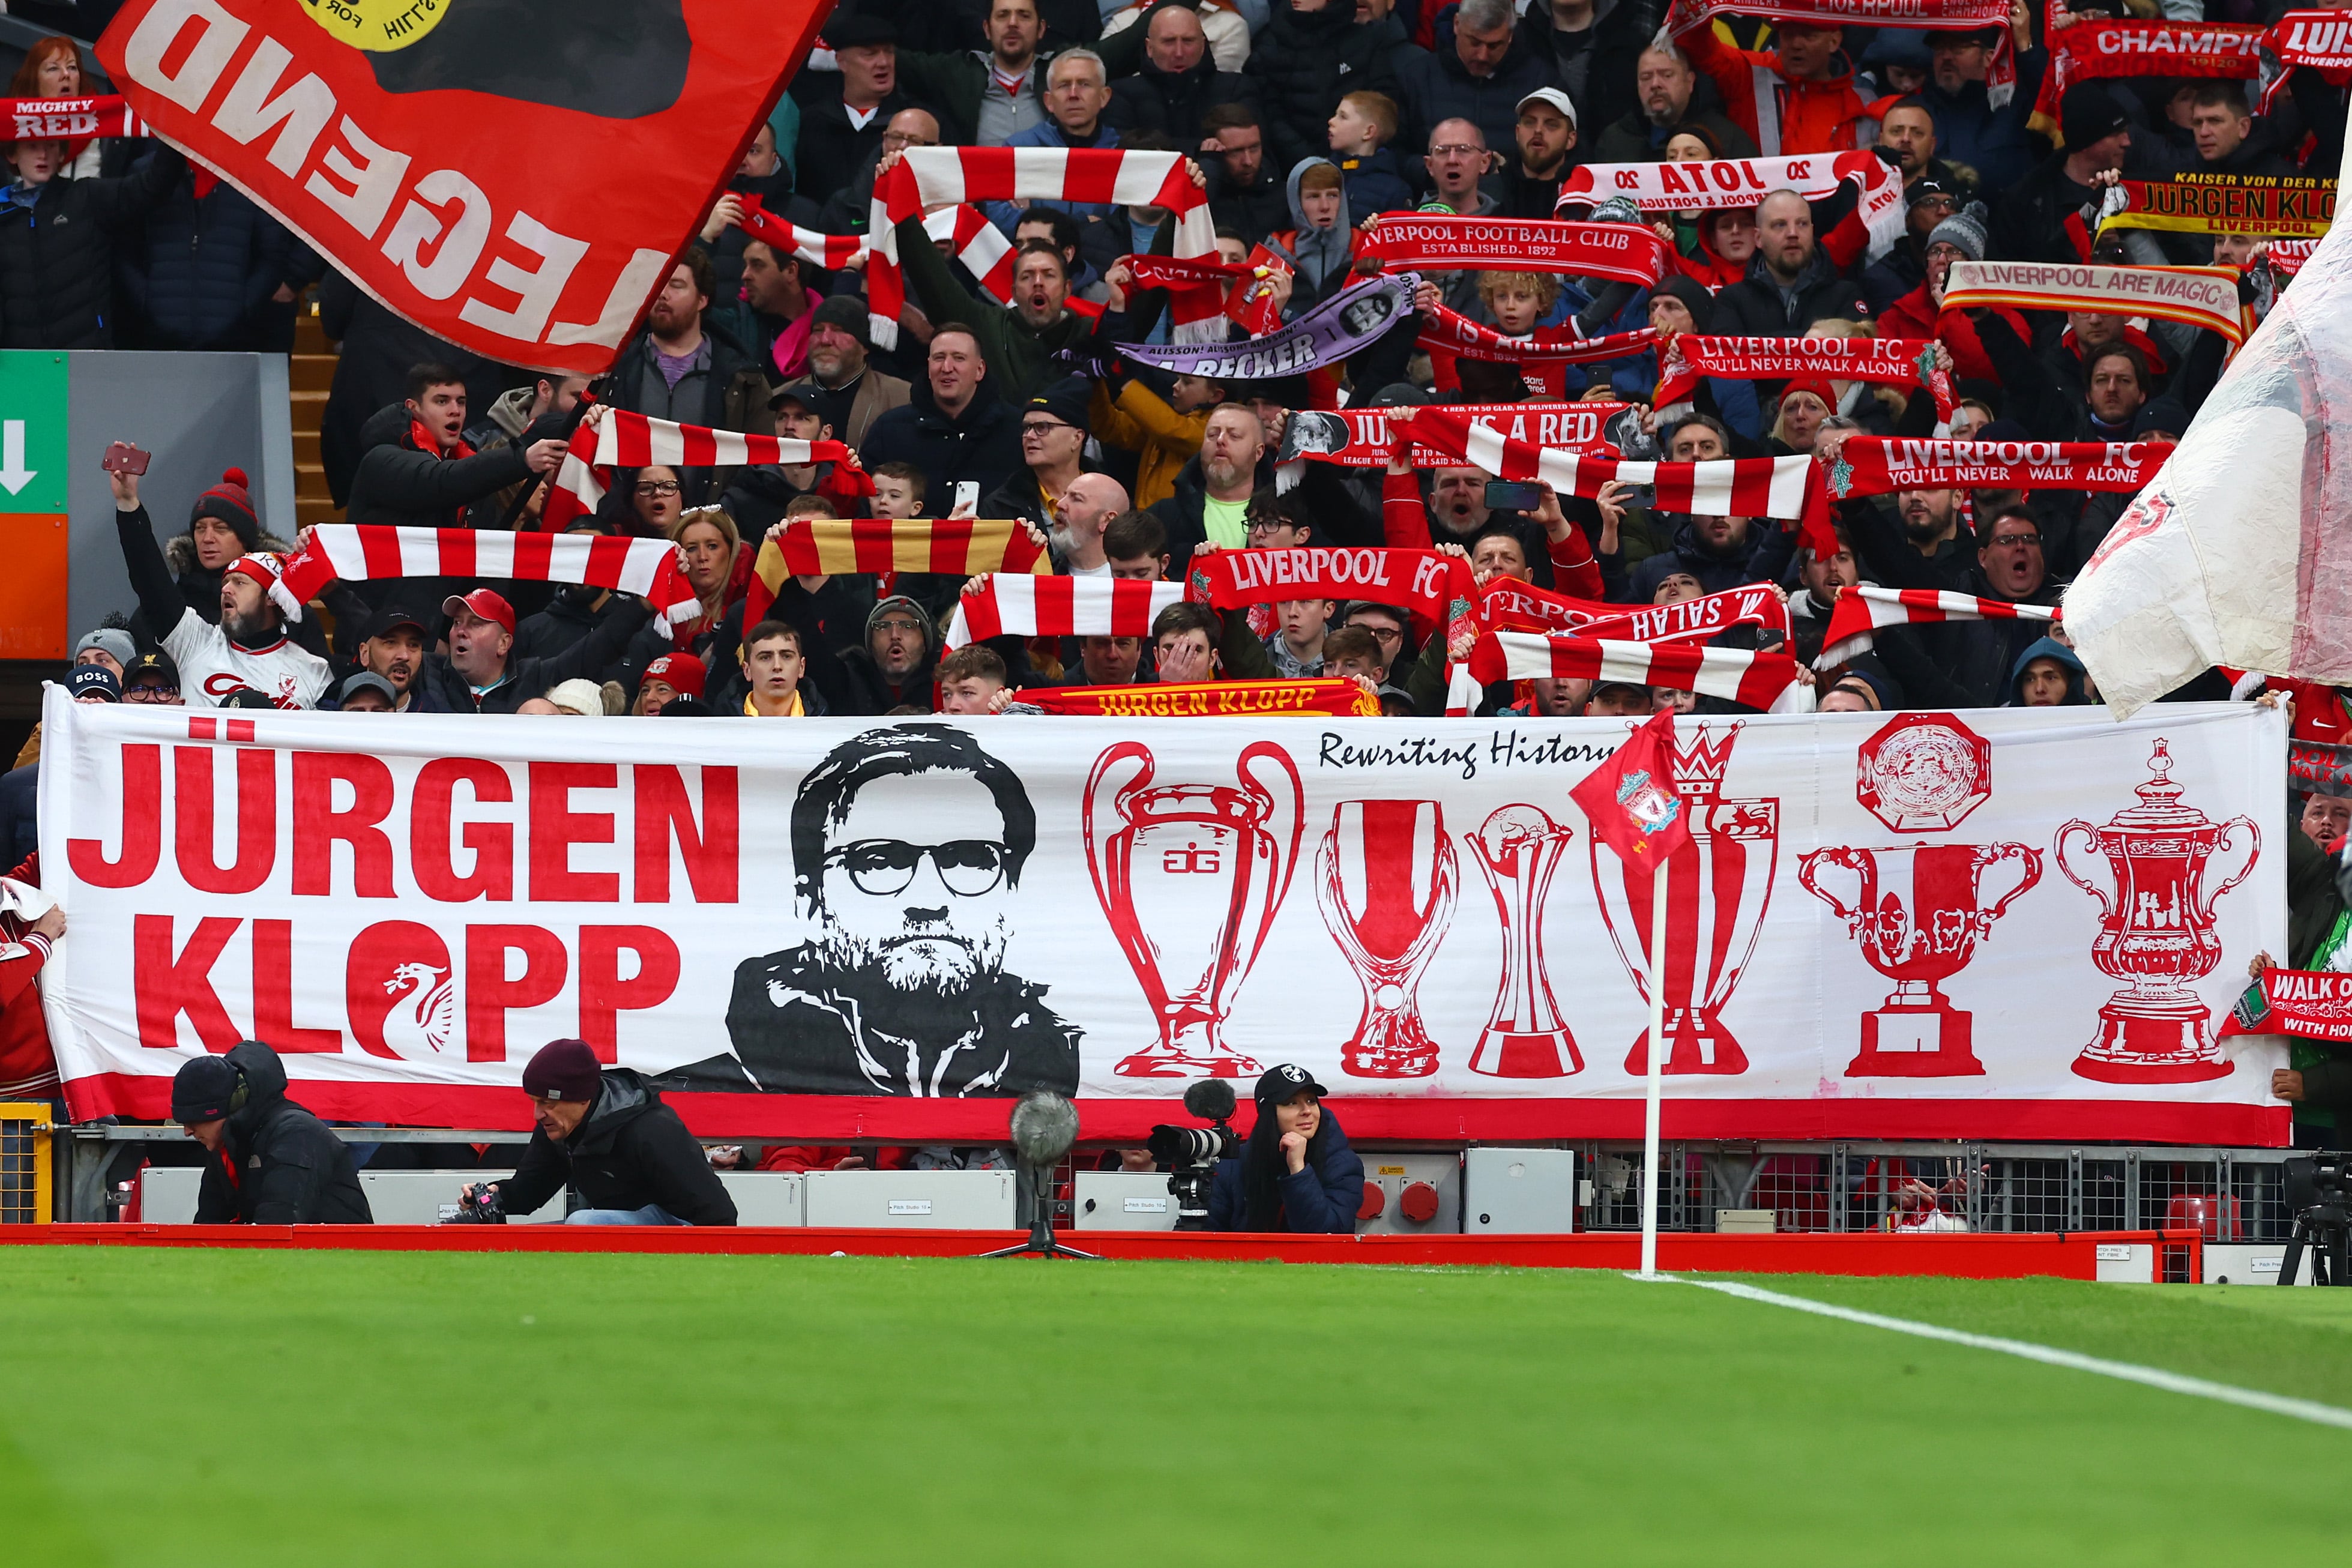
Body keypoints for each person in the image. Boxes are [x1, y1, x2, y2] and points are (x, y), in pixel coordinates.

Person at [662, 725, 1082, 1098]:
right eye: (880, 862)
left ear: (1011, 895)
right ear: (810, 904)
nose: (929, 900)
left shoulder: (1072, 1082)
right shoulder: (707, 1093)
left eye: (970, 859)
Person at [112, 460, 331, 710]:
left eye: (239, 583)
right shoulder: (196, 642)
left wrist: (331, 586)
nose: (226, 589)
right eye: (226, 581)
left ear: (271, 596)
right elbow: (150, 582)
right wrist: (129, 506)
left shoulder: (315, 670)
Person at [472, 1040, 737, 1226]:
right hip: (621, 1229)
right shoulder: (559, 1127)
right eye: (534, 1101)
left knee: (582, 1223)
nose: (537, 1114)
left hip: (679, 1232)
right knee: (551, 1235)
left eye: (548, 1104)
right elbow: (528, 1193)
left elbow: (720, 1215)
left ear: (582, 1099)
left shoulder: (653, 1130)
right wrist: (493, 1196)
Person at [172, 1040, 373, 1225]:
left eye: (194, 1120)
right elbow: (206, 1231)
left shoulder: (297, 1133)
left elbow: (277, 1226)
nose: (187, 1131)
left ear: (229, 1107)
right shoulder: (225, 1146)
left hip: (341, 1260)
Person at [415, 586, 654, 716]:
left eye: (476, 624)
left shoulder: (535, 676)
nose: (460, 631)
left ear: (504, 643)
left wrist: (643, 605)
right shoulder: (426, 671)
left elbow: (597, 648)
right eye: (457, 622)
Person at [859, 324, 1025, 504]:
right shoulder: (889, 429)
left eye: (959, 358)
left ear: (980, 370)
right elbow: (864, 499)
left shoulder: (1017, 429)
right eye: (939, 358)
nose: (947, 368)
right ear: (929, 366)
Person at [1207, 1064, 1364, 1232]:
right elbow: (1206, 1234)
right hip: (1246, 1258)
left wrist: (1298, 1170)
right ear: (1269, 1115)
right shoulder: (1233, 1164)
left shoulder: (1343, 1164)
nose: (1307, 1111)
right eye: (1291, 1103)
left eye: (1311, 1101)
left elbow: (1326, 1235)